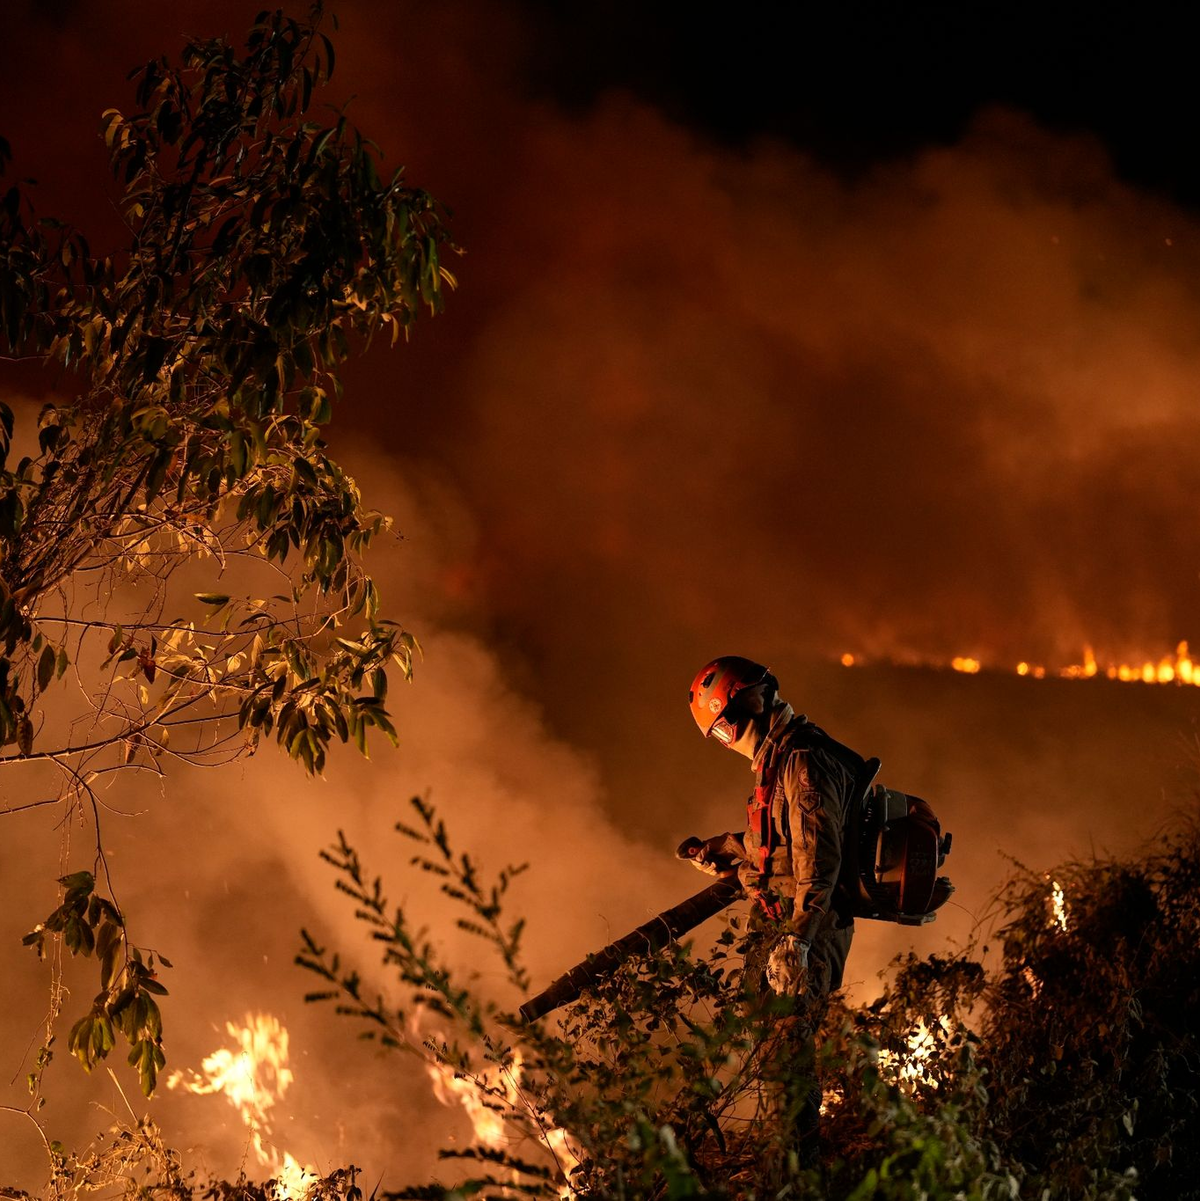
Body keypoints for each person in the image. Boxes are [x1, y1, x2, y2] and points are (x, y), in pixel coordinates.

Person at [687, 654, 878, 1168]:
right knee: (774, 1053)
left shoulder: (803, 762)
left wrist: (799, 939)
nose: (728, 738)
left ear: (736, 716)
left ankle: (798, 1172)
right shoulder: (779, 762)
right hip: (784, 924)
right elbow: (777, 847)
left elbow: (821, 860)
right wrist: (725, 852)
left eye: (724, 726)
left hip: (806, 930)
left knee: (787, 1057)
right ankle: (788, 1163)